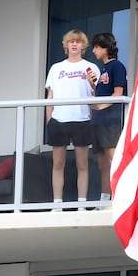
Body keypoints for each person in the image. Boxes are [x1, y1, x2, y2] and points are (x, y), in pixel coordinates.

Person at [45, 29, 100, 207]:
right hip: (59, 120)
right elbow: (50, 96)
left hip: (82, 119)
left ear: (83, 45)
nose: (74, 44)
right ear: (66, 45)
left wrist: (93, 85)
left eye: (78, 41)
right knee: (58, 163)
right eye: (71, 41)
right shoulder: (56, 68)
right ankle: (57, 204)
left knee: (82, 164)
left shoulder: (91, 67)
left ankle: (82, 204)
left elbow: (96, 98)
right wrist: (49, 120)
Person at [88, 31, 127, 203]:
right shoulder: (103, 68)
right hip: (99, 120)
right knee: (102, 163)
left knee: (114, 160)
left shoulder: (117, 66)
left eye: (97, 47)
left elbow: (118, 93)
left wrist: (99, 106)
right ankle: (105, 199)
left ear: (106, 48)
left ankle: (119, 199)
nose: (94, 50)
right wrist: (92, 85)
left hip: (111, 120)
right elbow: (101, 94)